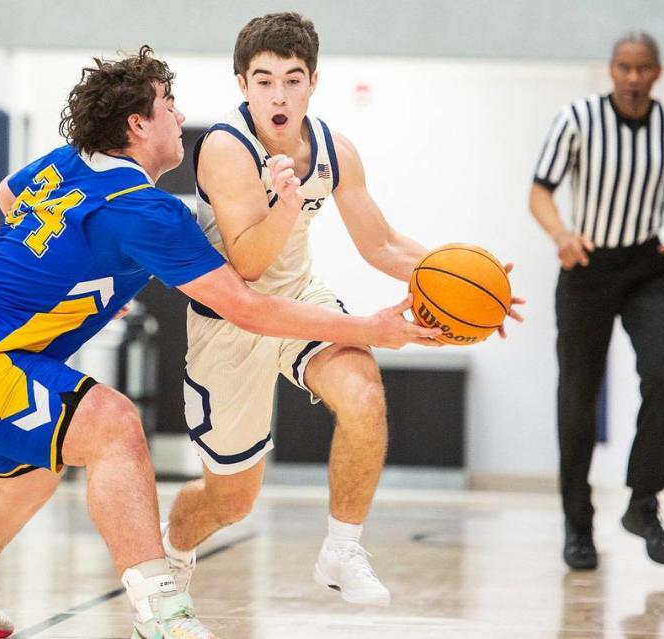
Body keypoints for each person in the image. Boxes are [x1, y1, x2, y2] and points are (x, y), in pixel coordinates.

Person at [0, 46, 443, 639]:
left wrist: (77, 274)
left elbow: (10, 195)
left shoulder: (68, 163)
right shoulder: (147, 212)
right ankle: (162, 610)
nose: (179, 116)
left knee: (28, 477)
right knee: (114, 424)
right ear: (138, 125)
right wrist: (372, 329)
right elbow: (248, 308)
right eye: (168, 105)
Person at [162, 12, 522, 607]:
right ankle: (173, 550)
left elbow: (381, 245)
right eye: (264, 80)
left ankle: (342, 548)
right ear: (242, 84)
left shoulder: (335, 150)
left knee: (364, 397)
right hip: (232, 319)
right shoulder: (226, 149)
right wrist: (285, 204)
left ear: (313, 82)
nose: (279, 95)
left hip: (298, 300)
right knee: (230, 501)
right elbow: (248, 268)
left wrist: (467, 278)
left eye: (293, 79)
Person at [529, 31, 664, 571]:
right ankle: (578, 527)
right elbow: (540, 191)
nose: (633, 77)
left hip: (646, 267)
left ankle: (643, 502)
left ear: (657, 72)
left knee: (661, 379)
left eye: (643, 68)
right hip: (586, 265)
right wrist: (561, 234)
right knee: (577, 402)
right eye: (624, 67)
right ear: (611, 70)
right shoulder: (577, 118)